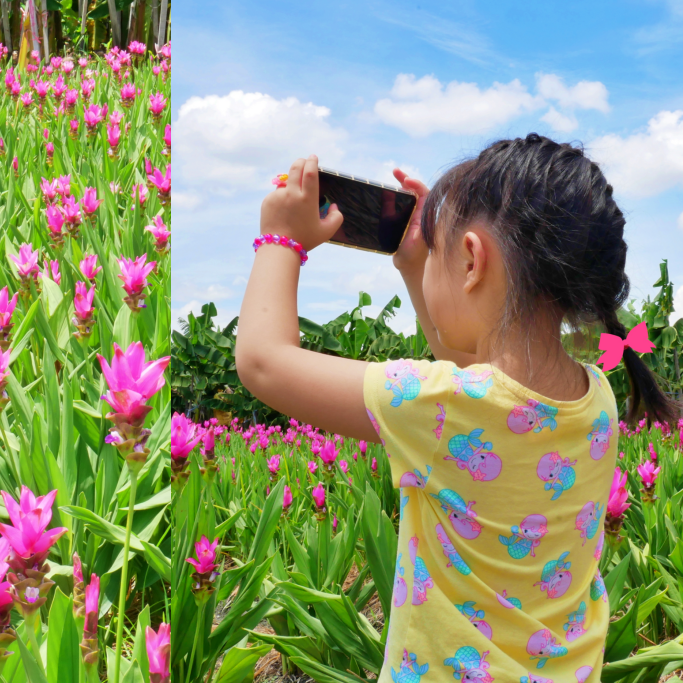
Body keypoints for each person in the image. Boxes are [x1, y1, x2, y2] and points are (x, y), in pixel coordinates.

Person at [235, 134, 678, 683]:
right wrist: (415, 263)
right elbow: (486, 386)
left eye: (437, 257)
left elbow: (262, 362)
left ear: (471, 260)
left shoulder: (439, 406)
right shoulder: (596, 398)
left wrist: (280, 239)